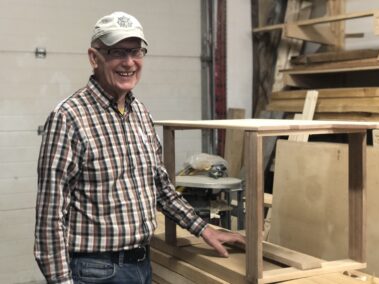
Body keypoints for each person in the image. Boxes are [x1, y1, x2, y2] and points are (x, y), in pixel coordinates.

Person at [34, 11, 245, 284]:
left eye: (136, 51)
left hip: (142, 265)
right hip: (96, 271)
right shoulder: (68, 117)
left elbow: (160, 188)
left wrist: (204, 229)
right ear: (94, 57)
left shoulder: (140, 113)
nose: (129, 62)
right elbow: (50, 216)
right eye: (116, 52)